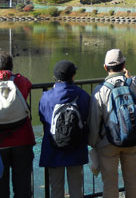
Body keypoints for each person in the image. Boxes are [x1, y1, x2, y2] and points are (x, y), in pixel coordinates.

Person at [88, 49, 136, 198]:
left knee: (110, 183)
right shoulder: (134, 84)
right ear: (124, 65)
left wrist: (93, 143)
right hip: (132, 140)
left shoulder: (100, 91)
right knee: (132, 180)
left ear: (105, 67)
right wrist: (132, 78)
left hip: (108, 143)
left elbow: (94, 121)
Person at [39, 60, 91, 198]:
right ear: (73, 76)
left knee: (56, 189)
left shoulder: (46, 97)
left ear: (55, 77)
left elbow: (43, 119)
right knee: (77, 188)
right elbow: (87, 116)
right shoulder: (83, 95)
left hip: (53, 148)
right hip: (76, 147)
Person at [0, 52, 35, 198]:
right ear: (11, 66)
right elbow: (28, 87)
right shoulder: (20, 81)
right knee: (22, 187)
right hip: (22, 139)